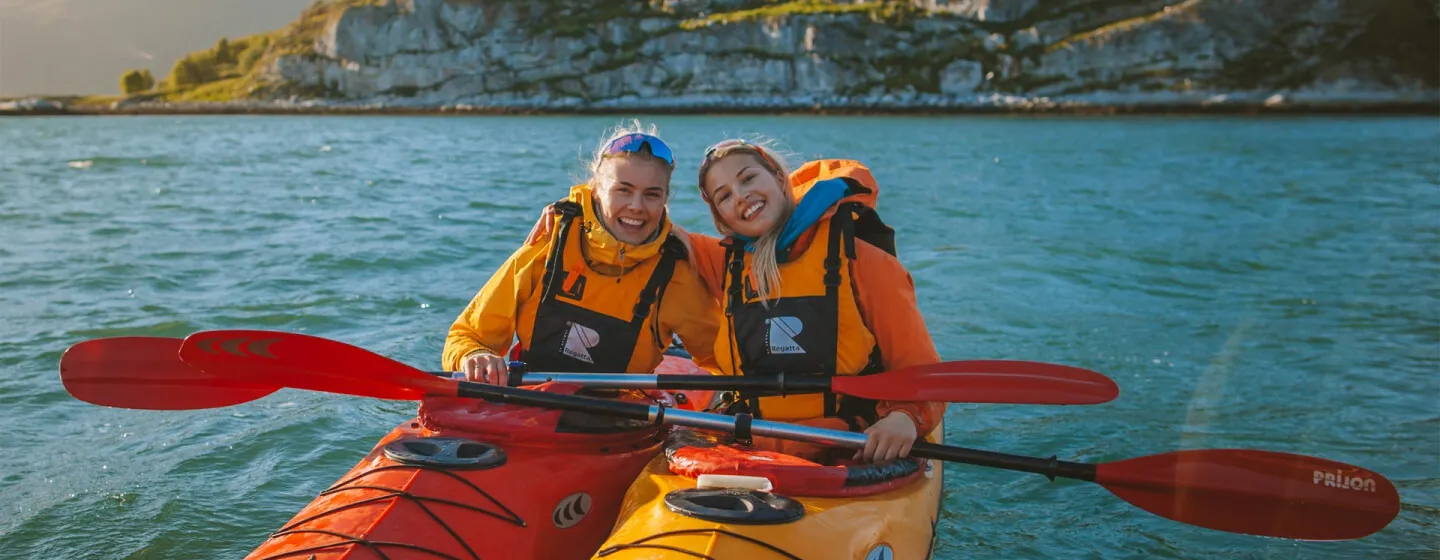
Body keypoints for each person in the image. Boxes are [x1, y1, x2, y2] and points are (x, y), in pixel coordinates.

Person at [523, 138, 945, 464]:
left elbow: (922, 375)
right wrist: (574, 208)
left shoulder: (863, 261)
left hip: (847, 446)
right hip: (744, 443)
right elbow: (634, 219)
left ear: (779, 179)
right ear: (721, 217)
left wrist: (905, 418)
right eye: (723, 196)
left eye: (747, 179)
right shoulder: (724, 262)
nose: (739, 197)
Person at [442, 122, 720, 383]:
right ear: (596, 189)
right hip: (528, 405)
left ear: (665, 200)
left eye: (651, 194)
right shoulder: (549, 243)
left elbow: (724, 364)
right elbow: (466, 336)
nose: (636, 206)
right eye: (623, 190)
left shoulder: (677, 274)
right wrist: (474, 356)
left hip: (621, 422)